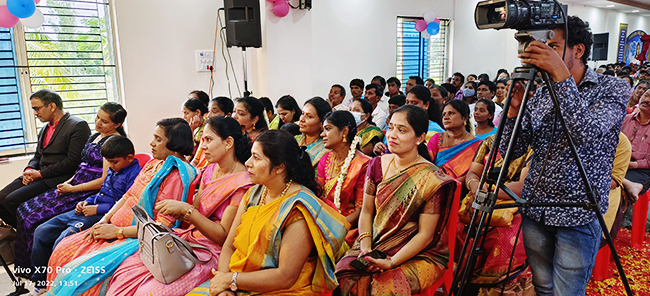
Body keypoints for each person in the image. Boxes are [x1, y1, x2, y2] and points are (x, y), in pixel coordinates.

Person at [501, 16, 629, 295]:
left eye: (553, 46)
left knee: (567, 292)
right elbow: (512, 151)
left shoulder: (612, 88)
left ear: (578, 50)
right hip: (537, 207)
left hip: (578, 212)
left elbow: (584, 132)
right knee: (542, 287)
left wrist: (561, 76)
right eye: (541, 46)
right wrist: (512, 113)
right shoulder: (543, 92)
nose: (544, 53)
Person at [46, 118, 197, 296]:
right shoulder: (153, 164)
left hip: (134, 237)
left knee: (80, 273)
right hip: (114, 228)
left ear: (175, 143)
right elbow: (128, 195)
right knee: (63, 248)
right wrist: (103, 220)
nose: (151, 143)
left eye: (158, 139)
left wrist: (117, 232)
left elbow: (162, 226)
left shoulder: (176, 175)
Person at [104, 116, 254, 296]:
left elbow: (222, 236)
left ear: (228, 142)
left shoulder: (241, 184)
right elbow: (195, 213)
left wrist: (186, 211)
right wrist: (177, 212)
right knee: (126, 273)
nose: (202, 146)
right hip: (187, 237)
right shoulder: (210, 170)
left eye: (208, 140)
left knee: (148, 292)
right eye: (202, 140)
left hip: (212, 251)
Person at [189, 130, 349, 295]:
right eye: (251, 156)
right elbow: (229, 246)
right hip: (237, 282)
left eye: (257, 158)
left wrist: (231, 280)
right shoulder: (254, 194)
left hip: (279, 290)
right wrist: (224, 284)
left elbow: (285, 276)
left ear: (279, 167)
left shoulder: (298, 207)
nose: (248, 163)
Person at [335, 105, 457, 295]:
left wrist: (391, 262)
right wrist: (366, 250)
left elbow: (425, 235)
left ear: (420, 137)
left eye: (402, 130)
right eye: (390, 127)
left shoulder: (431, 179)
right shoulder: (376, 164)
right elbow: (366, 211)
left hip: (419, 253)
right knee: (343, 276)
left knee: (383, 288)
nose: (392, 135)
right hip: (374, 243)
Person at [13, 102, 126, 280]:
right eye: (97, 117)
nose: (97, 123)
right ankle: (30, 268)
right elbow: (82, 166)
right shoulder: (95, 136)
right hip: (74, 184)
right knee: (24, 210)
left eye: (104, 121)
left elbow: (104, 180)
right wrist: (68, 182)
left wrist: (73, 188)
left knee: (34, 219)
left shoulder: (113, 143)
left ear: (117, 124)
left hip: (85, 190)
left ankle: (43, 274)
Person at [30, 136, 141, 292]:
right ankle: (40, 280)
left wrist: (97, 210)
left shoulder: (136, 175)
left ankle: (57, 284)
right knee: (41, 231)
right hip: (91, 208)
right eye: (108, 162)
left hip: (103, 215)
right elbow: (102, 193)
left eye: (114, 162)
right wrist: (87, 202)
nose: (110, 166)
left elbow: (125, 203)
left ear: (129, 158)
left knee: (62, 241)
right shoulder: (114, 168)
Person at [0, 89, 91, 228]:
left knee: (12, 200)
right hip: (39, 174)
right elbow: (38, 155)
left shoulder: (77, 125)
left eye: (37, 108)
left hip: (57, 178)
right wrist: (29, 170)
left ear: (52, 106)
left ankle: (29, 232)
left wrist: (40, 174)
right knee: (1, 198)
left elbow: (73, 161)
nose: (35, 113)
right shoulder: (44, 129)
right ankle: (21, 232)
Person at [459, 134, 534, 295]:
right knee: (457, 230)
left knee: (505, 240)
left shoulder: (533, 144)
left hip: (513, 201)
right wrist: (475, 188)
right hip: (479, 196)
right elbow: (473, 173)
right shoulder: (490, 142)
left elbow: (523, 186)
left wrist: (489, 193)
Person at [317, 111, 370, 246]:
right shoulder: (325, 160)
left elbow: (361, 211)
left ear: (344, 131)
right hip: (326, 221)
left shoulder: (364, 164)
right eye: (323, 130)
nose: (322, 134)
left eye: (327, 129)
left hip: (350, 228)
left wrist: (335, 227)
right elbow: (319, 197)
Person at [372, 86, 444, 156]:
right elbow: (386, 146)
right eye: (407, 102)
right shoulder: (395, 124)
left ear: (426, 105)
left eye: (414, 103)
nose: (409, 106)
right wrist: (379, 147)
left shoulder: (436, 131)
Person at [427, 100, 481, 185]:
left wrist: (452, 186)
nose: (446, 117)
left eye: (451, 113)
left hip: (463, 188)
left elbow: (475, 173)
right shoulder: (437, 139)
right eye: (444, 114)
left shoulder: (477, 145)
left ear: (465, 117)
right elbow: (427, 165)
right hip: (434, 185)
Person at [621, 89, 650, 229]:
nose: (647, 100)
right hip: (620, 161)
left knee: (617, 190)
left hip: (642, 169)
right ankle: (626, 182)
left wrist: (633, 164)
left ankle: (616, 222)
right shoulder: (627, 119)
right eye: (646, 95)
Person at [191, 96, 235, 169]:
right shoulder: (205, 136)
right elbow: (195, 161)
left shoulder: (230, 137)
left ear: (228, 115)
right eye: (209, 111)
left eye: (214, 111)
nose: (209, 115)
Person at [296, 97, 332, 168]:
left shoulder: (326, 149)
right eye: (302, 114)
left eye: (309, 116)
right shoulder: (294, 140)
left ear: (322, 123)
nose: (302, 119)